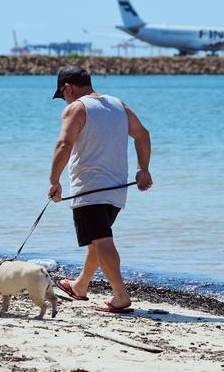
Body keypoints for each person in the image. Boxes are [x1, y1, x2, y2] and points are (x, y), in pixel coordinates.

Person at [48, 65, 152, 312]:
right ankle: (80, 285)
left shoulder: (76, 108)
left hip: (90, 188)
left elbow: (64, 144)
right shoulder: (118, 105)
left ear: (68, 88)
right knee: (97, 240)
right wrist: (143, 169)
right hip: (117, 190)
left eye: (62, 95)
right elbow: (142, 134)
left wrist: (54, 180)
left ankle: (120, 296)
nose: (64, 100)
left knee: (102, 241)